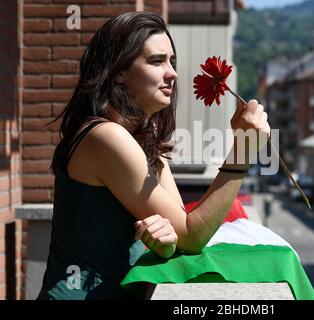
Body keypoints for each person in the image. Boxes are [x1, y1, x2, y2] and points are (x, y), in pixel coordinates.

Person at [37, 11, 270, 300]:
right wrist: (243, 150)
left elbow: (178, 227)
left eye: (171, 61)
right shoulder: (106, 137)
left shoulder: (139, 137)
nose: (172, 73)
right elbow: (193, 234)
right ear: (119, 71)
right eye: (157, 61)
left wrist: (164, 239)